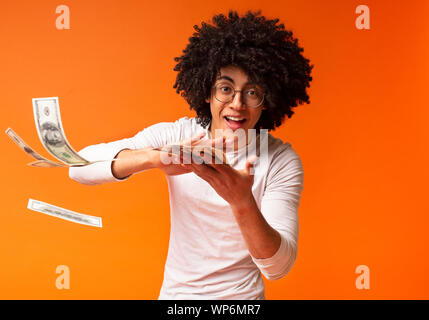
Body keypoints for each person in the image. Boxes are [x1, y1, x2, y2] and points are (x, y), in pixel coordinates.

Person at [69, 10, 313, 299]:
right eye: (225, 88)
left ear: (267, 100)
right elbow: (77, 167)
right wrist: (156, 158)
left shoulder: (280, 160)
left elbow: (278, 267)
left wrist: (242, 201)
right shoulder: (177, 136)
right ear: (207, 93)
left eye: (252, 92)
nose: (237, 104)